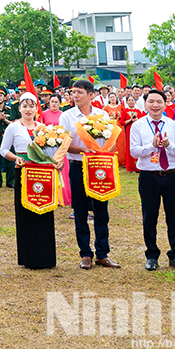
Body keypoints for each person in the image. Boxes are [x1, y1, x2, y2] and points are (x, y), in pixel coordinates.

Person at [59, 79, 119, 270]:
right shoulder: (67, 116)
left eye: (79, 92)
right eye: (73, 92)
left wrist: (106, 151)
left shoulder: (102, 114)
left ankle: (103, 253)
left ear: (91, 95)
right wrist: (83, 150)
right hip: (78, 166)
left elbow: (111, 138)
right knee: (80, 211)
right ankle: (85, 253)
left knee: (102, 210)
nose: (75, 95)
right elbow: (65, 144)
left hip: (99, 166)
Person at [130, 89, 175, 271]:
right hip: (149, 176)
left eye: (159, 102)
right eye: (151, 102)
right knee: (149, 216)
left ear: (165, 103)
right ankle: (152, 255)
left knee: (174, 216)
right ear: (145, 104)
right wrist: (151, 146)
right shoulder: (138, 126)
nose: (155, 105)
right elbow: (134, 152)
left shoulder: (173, 125)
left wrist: (169, 145)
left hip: (171, 175)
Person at [0, 92, 57, 269]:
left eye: (32, 105)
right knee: (25, 213)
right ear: (19, 108)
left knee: (44, 211)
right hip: (23, 171)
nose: (28, 109)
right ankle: (29, 256)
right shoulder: (13, 127)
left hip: (42, 172)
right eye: (25, 106)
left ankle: (46, 257)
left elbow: (50, 150)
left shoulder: (42, 127)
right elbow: (3, 150)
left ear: (36, 108)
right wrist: (15, 157)